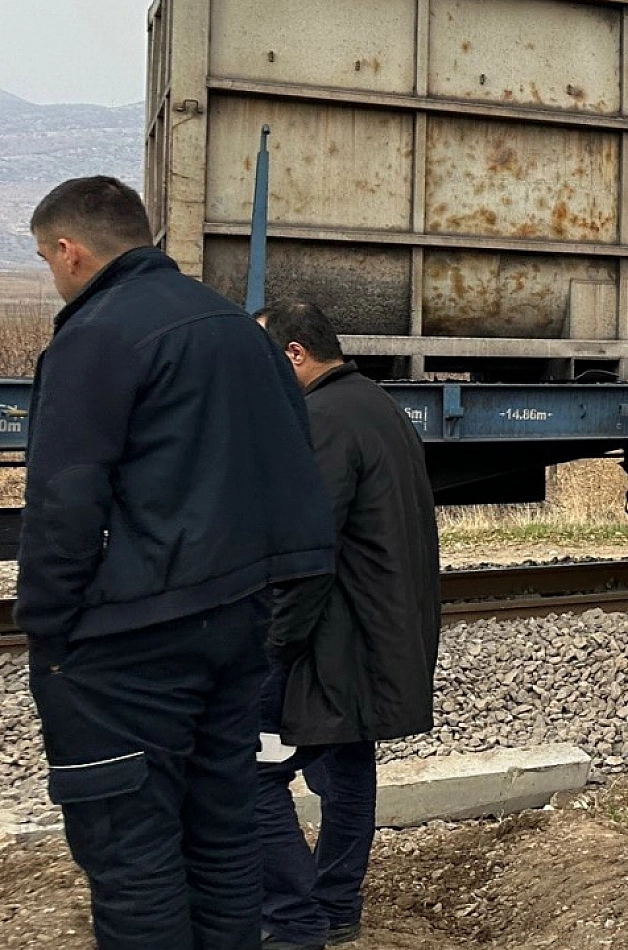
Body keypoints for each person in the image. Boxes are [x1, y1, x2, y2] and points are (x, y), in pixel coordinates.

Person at [19, 176, 338, 949]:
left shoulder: (96, 334)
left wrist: (50, 634)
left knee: (133, 852)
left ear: (70, 250)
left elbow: (65, 501)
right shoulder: (240, 330)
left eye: (44, 258)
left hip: (133, 643)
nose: (50, 273)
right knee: (220, 831)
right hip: (236, 627)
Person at [253, 299, 441, 950]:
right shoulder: (377, 405)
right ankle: (335, 908)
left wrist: (272, 649)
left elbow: (306, 555)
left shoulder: (319, 419)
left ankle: (295, 915)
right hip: (375, 631)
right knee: (347, 770)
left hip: (332, 638)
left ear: (294, 355)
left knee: (248, 774)